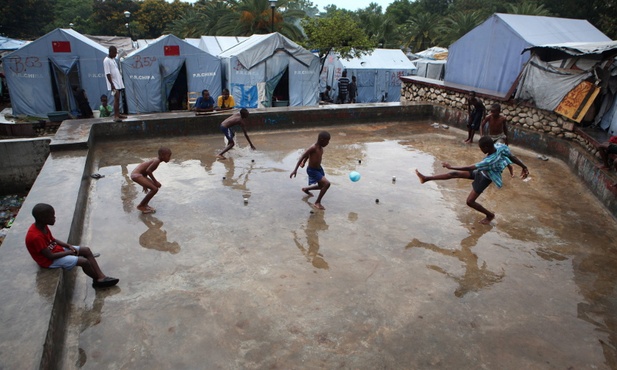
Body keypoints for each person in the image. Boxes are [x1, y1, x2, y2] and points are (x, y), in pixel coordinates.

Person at [415, 136, 529, 224]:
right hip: (481, 172)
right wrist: (524, 166)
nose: (480, 150)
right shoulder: (501, 146)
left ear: (486, 148)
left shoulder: (490, 159)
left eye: (481, 149)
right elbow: (512, 157)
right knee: (454, 174)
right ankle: (426, 178)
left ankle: (489, 215)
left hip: (485, 177)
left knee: (470, 201)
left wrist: (451, 166)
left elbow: (470, 167)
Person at [25, 203, 119, 288]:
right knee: (84, 262)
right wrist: (69, 253)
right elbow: (50, 256)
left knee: (86, 250)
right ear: (43, 218)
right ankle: (97, 280)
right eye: (52, 216)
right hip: (48, 261)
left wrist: (68, 245)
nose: (55, 218)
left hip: (56, 250)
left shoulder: (42, 226)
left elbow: (53, 240)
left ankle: (101, 276)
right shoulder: (35, 236)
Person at [290, 131, 332, 210]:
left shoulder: (320, 148)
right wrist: (295, 170)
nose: (328, 143)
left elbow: (309, 156)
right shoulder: (313, 147)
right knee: (327, 184)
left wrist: (304, 162)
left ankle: (306, 189)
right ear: (322, 140)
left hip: (319, 169)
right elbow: (303, 156)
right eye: (327, 141)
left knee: (321, 186)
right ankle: (317, 202)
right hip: (312, 170)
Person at [131, 147, 172, 214]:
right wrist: (155, 181)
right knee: (154, 189)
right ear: (162, 155)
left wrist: (145, 184)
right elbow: (148, 171)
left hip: (139, 175)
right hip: (137, 175)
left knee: (155, 187)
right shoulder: (157, 161)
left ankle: (145, 204)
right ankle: (141, 206)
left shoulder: (156, 160)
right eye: (168, 156)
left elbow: (145, 171)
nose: (169, 158)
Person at [103, 46, 126, 122]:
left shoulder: (113, 60)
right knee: (116, 99)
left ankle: (118, 114)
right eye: (115, 53)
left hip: (118, 82)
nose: (116, 54)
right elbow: (108, 74)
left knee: (118, 98)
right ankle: (116, 116)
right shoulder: (106, 61)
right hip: (114, 83)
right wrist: (112, 84)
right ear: (111, 52)